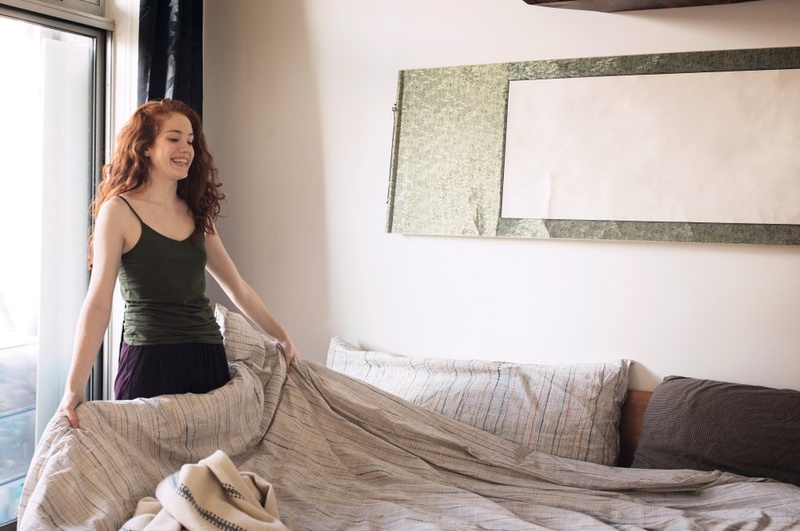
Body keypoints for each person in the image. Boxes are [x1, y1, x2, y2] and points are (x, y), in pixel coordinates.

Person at [58, 99, 299, 429]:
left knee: (211, 459)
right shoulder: (118, 212)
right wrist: (74, 387)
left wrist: (281, 335)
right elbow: (99, 303)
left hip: (207, 356)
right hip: (149, 359)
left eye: (190, 140)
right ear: (145, 147)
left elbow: (237, 287)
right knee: (141, 454)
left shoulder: (197, 213)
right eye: (173, 138)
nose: (185, 148)